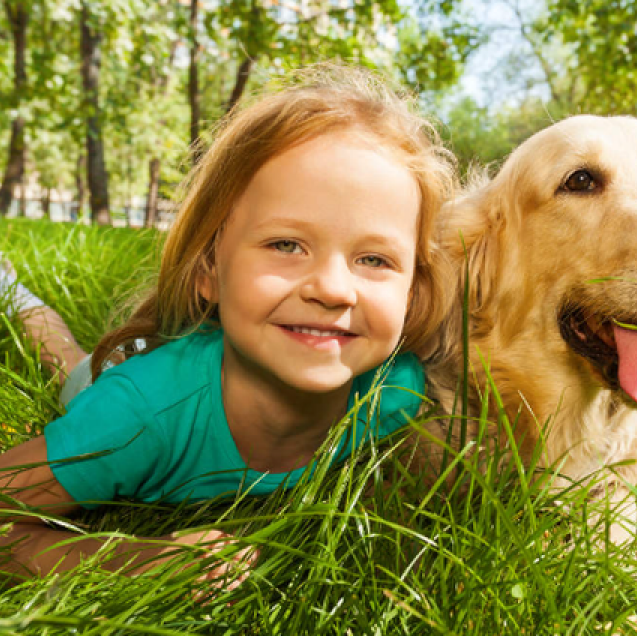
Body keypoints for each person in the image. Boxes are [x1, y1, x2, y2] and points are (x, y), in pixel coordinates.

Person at [0, 65, 455, 586]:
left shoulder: (397, 393)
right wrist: (141, 562)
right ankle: (15, 293)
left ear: (413, 294)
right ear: (208, 270)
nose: (332, 288)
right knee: (67, 362)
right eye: (286, 245)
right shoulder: (135, 418)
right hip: (127, 381)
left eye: (374, 259)